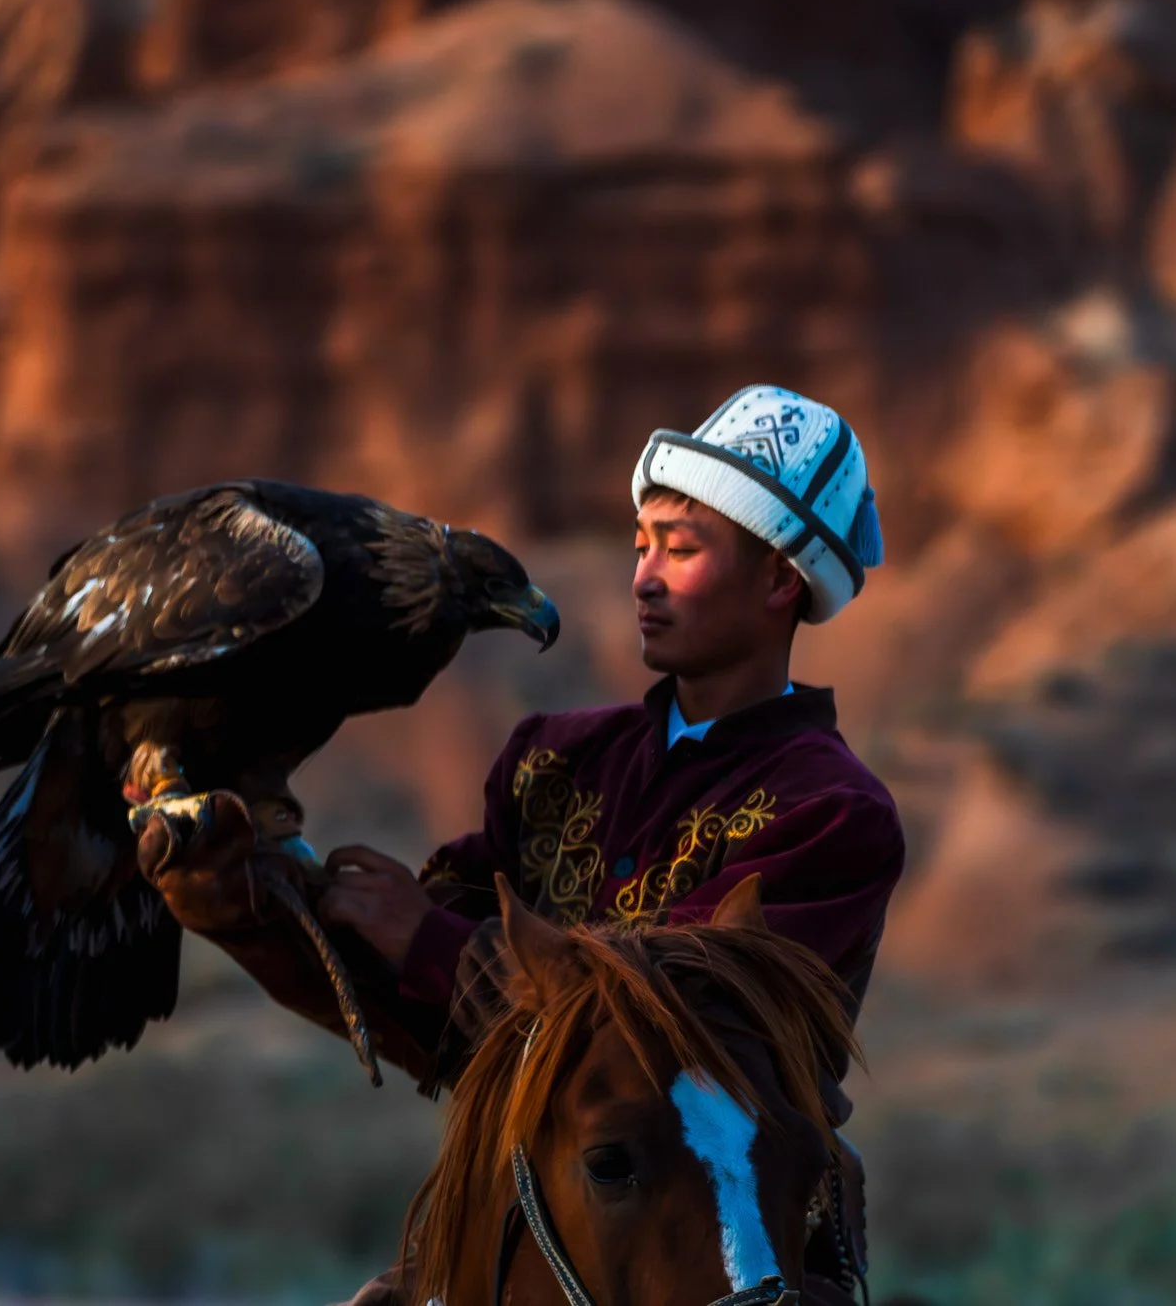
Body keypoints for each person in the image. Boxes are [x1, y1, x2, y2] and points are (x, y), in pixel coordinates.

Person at [143, 385, 905, 1295]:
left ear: (782, 579)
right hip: (513, 1244)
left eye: (684, 549)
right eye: (642, 545)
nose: (644, 577)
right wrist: (246, 903)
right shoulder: (553, 761)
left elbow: (674, 1046)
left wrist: (427, 937)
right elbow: (422, 1018)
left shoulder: (832, 815)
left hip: (717, 1264)